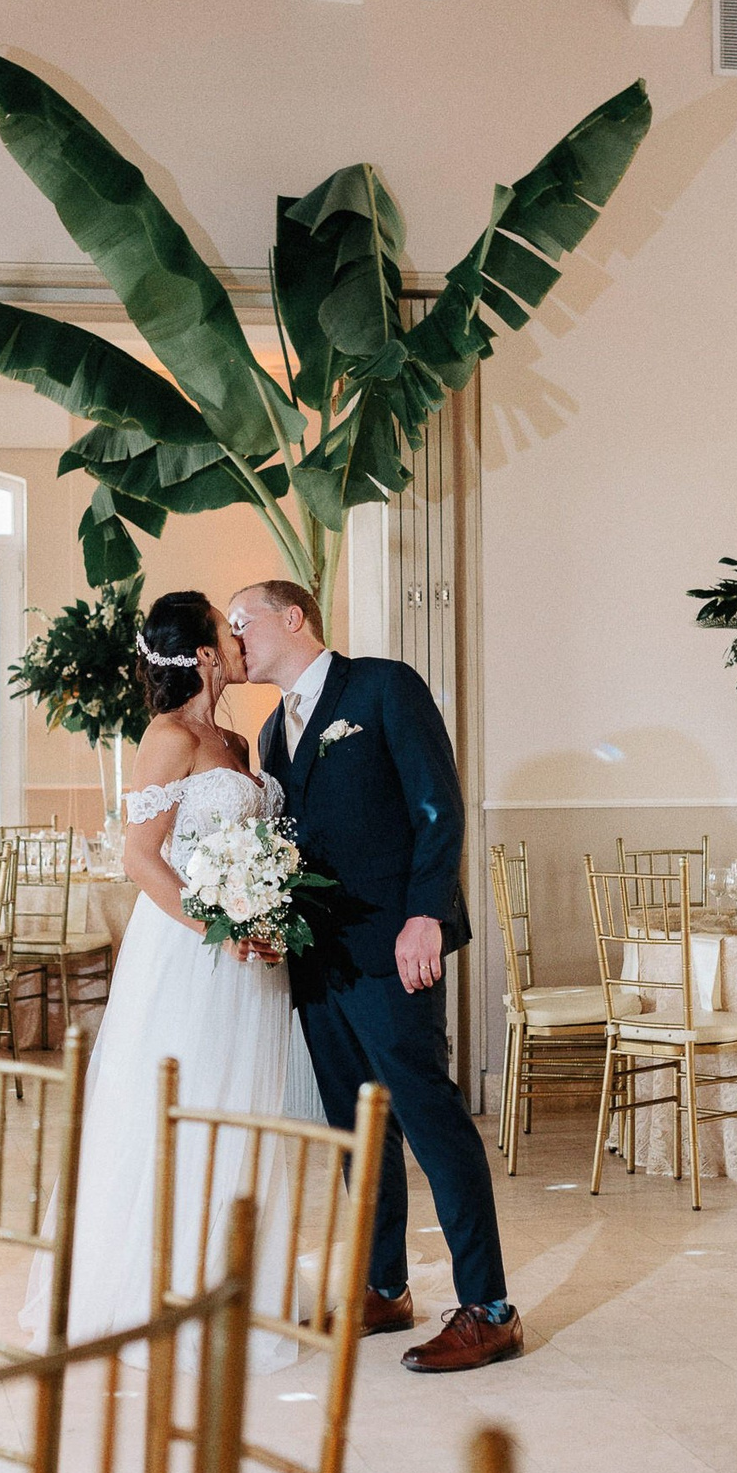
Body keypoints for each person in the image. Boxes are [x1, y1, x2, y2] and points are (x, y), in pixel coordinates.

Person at [227, 579, 523, 1373]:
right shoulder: (269, 735)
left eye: (242, 620)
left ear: (293, 618)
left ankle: (490, 1307)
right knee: (359, 1129)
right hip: (317, 963)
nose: (234, 636)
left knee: (430, 1117)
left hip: (396, 950)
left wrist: (427, 911)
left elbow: (438, 804)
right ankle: (384, 1284)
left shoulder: (385, 686)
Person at [18, 591, 307, 1368]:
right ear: (206, 654)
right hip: (189, 955)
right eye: (227, 625)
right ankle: (156, 1290)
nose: (239, 636)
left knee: (241, 1105)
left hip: (251, 967)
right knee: (179, 1105)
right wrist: (224, 924)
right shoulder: (169, 736)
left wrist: (266, 914)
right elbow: (140, 858)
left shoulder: (241, 741)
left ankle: (237, 1279)